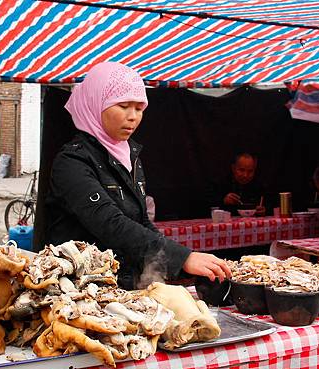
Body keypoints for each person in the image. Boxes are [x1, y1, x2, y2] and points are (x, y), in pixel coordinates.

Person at [43, 62, 230, 290]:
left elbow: (140, 221)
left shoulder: (129, 155)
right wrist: (182, 258)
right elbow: (110, 223)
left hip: (120, 285)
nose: (133, 117)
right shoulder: (72, 162)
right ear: (95, 103)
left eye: (139, 108)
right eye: (123, 106)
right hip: (77, 289)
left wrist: (169, 266)